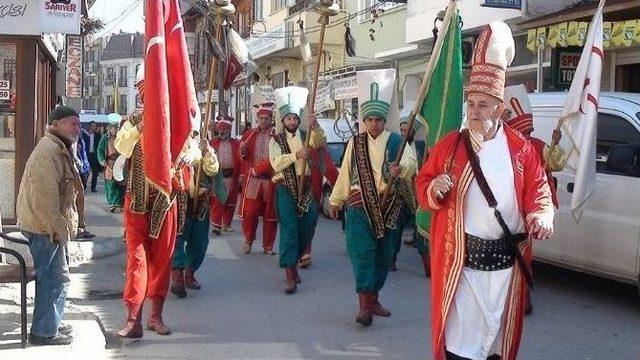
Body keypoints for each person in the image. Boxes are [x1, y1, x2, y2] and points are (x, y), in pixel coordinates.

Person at [414, 22, 554, 360]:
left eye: (483, 105)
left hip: (506, 270)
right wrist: (434, 186)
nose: (474, 112)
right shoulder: (450, 146)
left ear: (500, 107)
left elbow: (539, 189)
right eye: (471, 104)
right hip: (463, 267)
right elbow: (422, 185)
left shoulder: (521, 149)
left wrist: (541, 214)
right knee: (459, 346)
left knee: (497, 346)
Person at [329, 69, 417, 327]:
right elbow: (345, 172)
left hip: (389, 207)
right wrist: (336, 199)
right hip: (359, 205)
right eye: (370, 120)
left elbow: (411, 161)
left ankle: (374, 298)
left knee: (383, 254)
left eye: (379, 119)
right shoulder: (355, 143)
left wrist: (401, 169)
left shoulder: (397, 141)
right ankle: (364, 306)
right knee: (363, 254)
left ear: (384, 120)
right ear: (364, 121)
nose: (375, 124)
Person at [114, 63, 191, 338]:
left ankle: (155, 316)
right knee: (136, 260)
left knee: (162, 261)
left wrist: (188, 156)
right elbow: (121, 147)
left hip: (166, 201)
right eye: (148, 93)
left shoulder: (178, 122)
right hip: (137, 201)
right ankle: (133, 319)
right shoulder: (133, 121)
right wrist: (141, 126)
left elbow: (192, 151)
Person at [16, 106, 82, 346]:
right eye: (72, 123)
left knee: (58, 278)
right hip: (44, 227)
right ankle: (43, 333)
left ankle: (50, 323)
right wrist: (59, 230)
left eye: (78, 123)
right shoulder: (49, 151)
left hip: (47, 226)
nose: (77, 128)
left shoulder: (57, 147)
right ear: (55, 124)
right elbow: (46, 199)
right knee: (54, 279)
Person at [502, 84, 566, 315]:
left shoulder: (537, 145)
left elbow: (557, 163)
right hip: (505, 210)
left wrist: (556, 143)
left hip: (528, 210)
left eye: (528, 133)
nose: (526, 138)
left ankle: (523, 298)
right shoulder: (500, 147)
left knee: (523, 254)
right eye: (522, 133)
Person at [269, 86, 326, 293]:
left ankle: (297, 256)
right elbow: (275, 163)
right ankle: (290, 272)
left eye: (295, 118)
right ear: (283, 121)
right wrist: (296, 156)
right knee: (290, 229)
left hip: (307, 186)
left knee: (309, 223)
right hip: (286, 188)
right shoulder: (276, 140)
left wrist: (316, 125)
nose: (292, 122)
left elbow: (320, 142)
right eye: (288, 119)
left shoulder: (306, 133)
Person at [170, 132, 220, 298]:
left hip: (200, 201)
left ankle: (190, 273)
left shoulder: (203, 145)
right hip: (179, 198)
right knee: (177, 239)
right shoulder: (173, 143)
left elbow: (212, 170)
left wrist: (206, 152)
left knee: (200, 242)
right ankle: (177, 276)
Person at [237, 90, 277, 255]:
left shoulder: (276, 135)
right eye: (261, 119)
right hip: (253, 179)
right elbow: (243, 158)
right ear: (257, 119)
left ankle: (268, 246)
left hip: (271, 180)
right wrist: (243, 150)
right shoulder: (249, 135)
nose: (264, 121)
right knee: (250, 212)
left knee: (270, 215)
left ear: (271, 120)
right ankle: (248, 240)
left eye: (267, 119)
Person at [209, 115, 241, 234]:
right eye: (221, 129)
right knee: (218, 199)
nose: (222, 131)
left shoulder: (236, 143)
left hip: (232, 176)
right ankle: (217, 225)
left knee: (230, 201)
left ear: (229, 130)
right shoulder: (212, 143)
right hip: (218, 176)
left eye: (225, 129)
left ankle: (226, 224)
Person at [97, 119, 125, 213]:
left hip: (120, 162)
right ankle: (112, 204)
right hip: (109, 163)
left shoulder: (121, 136)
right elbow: (100, 150)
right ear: (109, 128)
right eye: (114, 128)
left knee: (120, 183)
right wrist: (102, 160)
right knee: (110, 184)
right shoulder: (105, 138)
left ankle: (119, 204)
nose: (116, 130)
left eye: (117, 128)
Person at [82, 121, 103, 192]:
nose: (94, 127)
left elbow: (100, 147)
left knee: (95, 172)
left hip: (94, 155)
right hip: (86, 155)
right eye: (93, 126)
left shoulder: (98, 135)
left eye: (95, 126)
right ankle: (83, 186)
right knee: (85, 172)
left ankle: (93, 188)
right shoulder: (84, 134)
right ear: (89, 126)